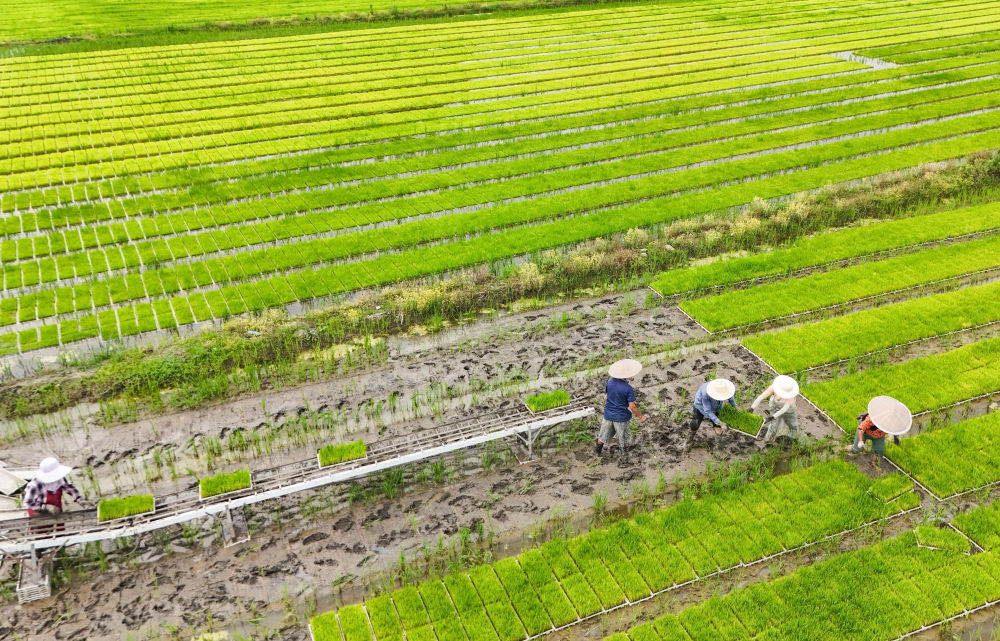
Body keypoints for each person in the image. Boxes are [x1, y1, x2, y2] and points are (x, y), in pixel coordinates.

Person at [595, 359, 646, 459]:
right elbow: (632, 406)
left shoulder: (609, 382)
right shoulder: (627, 388)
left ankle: (597, 452)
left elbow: (608, 395)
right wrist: (641, 417)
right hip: (621, 417)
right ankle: (624, 455)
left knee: (603, 435)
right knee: (624, 438)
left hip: (608, 415)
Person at [845, 396, 911, 468]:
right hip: (865, 433)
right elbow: (861, 429)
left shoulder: (893, 422)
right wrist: (860, 441)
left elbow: (895, 429)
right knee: (856, 450)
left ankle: (873, 462)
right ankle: (844, 449)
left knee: (880, 451)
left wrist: (896, 437)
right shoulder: (872, 419)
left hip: (878, 436)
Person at [752, 375, 800, 443]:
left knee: (792, 423)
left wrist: (773, 416)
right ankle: (768, 441)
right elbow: (760, 397)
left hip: (789, 409)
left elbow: (785, 408)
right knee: (774, 425)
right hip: (775, 407)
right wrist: (752, 407)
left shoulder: (791, 395)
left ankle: (794, 437)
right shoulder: (773, 388)